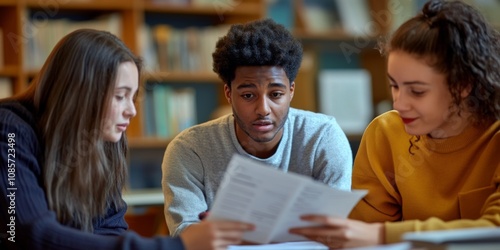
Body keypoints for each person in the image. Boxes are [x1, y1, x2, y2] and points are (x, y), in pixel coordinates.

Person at [0, 29, 253, 250]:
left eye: (132, 97)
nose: (132, 110)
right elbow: (29, 234)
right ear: (80, 93)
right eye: (120, 96)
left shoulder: (103, 139)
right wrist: (180, 246)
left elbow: (109, 231)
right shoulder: (8, 131)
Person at [289, 0, 500, 248]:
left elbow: (494, 230)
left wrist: (382, 235)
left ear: (463, 85)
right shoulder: (385, 133)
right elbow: (361, 234)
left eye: (417, 91)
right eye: (394, 86)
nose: (399, 104)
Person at [162, 18, 353, 237]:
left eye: (276, 94)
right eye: (248, 95)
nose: (263, 109)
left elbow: (334, 232)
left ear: (291, 91)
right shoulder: (190, 149)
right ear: (228, 93)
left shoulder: (322, 138)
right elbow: (187, 238)